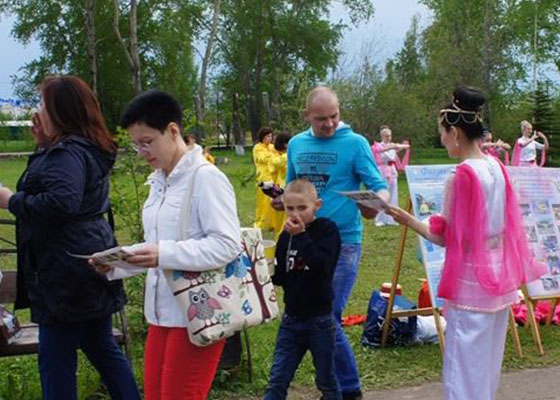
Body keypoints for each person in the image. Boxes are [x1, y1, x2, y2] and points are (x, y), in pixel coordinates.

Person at [387, 86, 546, 400]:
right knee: (486, 364)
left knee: (462, 366)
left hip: (471, 279)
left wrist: (408, 220)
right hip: (500, 276)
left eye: (443, 133)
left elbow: (444, 237)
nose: (442, 140)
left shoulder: (460, 176)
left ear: (456, 132)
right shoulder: (497, 168)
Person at [0, 75, 140, 400]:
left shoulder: (67, 153)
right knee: (101, 346)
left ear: (60, 110)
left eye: (43, 105)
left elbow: (62, 202)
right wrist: (45, 145)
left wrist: (10, 200)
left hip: (65, 273)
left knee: (56, 359)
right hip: (84, 263)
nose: (39, 111)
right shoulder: (80, 147)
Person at [101, 90, 241, 400]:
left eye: (147, 141)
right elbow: (156, 247)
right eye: (136, 144)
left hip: (198, 311)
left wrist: (163, 253)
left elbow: (228, 244)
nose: (141, 151)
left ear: (173, 131)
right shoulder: (159, 181)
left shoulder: (206, 178)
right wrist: (117, 264)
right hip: (161, 314)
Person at [274, 86, 389, 400]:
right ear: (308, 115)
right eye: (321, 118)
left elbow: (380, 186)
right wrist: (283, 202)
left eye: (334, 116)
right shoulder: (297, 144)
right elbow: (293, 187)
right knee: (314, 315)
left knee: (328, 315)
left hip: (343, 241)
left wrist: (376, 205)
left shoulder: (355, 143)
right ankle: (338, 386)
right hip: (303, 238)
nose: (329, 124)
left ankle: (347, 388)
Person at [265, 179, 341, 400]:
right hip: (291, 319)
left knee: (325, 379)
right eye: (290, 208)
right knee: (278, 378)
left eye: (302, 208)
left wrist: (301, 236)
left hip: (320, 320)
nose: (295, 214)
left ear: (317, 205)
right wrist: (263, 271)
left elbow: (322, 268)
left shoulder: (327, 230)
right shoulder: (285, 236)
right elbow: (281, 277)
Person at [371, 125, 410, 226]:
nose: (389, 138)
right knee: (383, 195)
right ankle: (380, 219)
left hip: (392, 171)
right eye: (387, 136)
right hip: (382, 171)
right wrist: (392, 147)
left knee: (393, 194)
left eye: (390, 136)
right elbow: (377, 151)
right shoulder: (377, 146)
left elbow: (406, 147)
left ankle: (392, 219)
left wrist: (401, 145)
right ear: (382, 136)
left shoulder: (393, 146)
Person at [268, 132, 291, 239]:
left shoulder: (284, 157)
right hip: (283, 188)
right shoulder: (286, 156)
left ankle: (280, 239)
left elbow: (273, 166)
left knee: (282, 219)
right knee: (282, 218)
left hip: (283, 187)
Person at [253, 127, 275, 229]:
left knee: (274, 199)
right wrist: (272, 157)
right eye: (267, 136)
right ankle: (259, 224)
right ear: (262, 137)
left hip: (273, 176)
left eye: (271, 136)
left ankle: (272, 224)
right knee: (263, 202)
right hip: (264, 177)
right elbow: (261, 159)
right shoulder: (258, 147)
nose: (269, 138)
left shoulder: (272, 147)